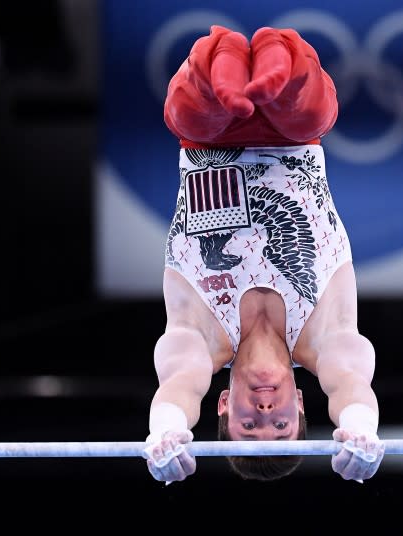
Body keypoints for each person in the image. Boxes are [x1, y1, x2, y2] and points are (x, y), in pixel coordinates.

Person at [142, 24, 385, 483]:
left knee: (195, 107)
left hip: (205, 139)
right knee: (306, 107)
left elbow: (177, 388)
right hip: (296, 137)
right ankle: (275, 65)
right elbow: (351, 385)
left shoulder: (199, 343)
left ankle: (229, 68)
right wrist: (359, 432)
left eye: (249, 427)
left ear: (222, 406)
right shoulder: (325, 339)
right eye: (281, 426)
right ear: (300, 405)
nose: (266, 410)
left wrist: (166, 435)